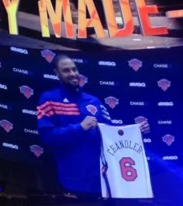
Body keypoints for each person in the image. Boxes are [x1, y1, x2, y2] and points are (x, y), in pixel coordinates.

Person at [36, 54, 149, 193]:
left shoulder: (93, 101)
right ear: (56, 73)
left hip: (101, 179)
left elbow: (110, 133)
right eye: (66, 70)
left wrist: (135, 131)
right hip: (70, 182)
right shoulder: (48, 99)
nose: (72, 74)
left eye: (74, 69)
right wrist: (79, 128)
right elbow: (47, 136)